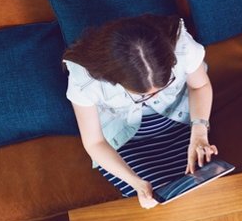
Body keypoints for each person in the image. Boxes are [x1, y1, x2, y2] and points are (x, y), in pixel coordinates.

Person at [63, 15, 217, 208]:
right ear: (114, 79)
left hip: (180, 122)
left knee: (207, 190)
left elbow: (200, 86)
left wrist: (200, 131)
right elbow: (95, 143)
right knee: (162, 201)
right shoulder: (84, 79)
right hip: (125, 142)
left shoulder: (180, 44)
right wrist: (136, 183)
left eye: (164, 86)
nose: (153, 98)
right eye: (142, 95)